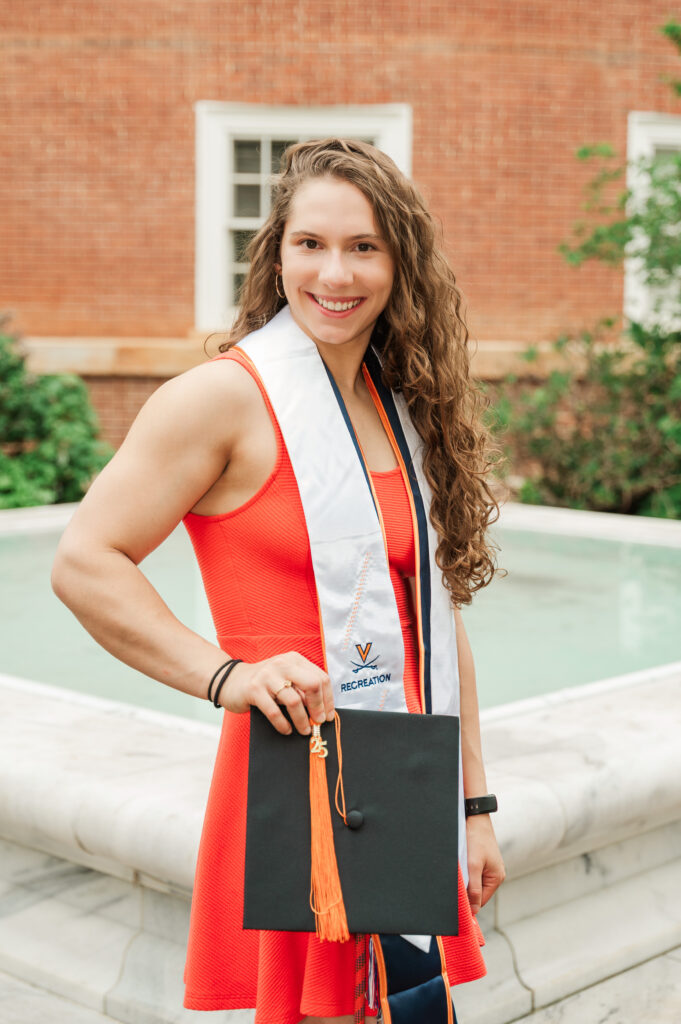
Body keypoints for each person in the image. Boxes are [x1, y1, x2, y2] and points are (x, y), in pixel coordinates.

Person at [52, 137, 506, 1024]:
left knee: (405, 1013)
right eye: (311, 244)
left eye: (363, 247)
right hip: (294, 782)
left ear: (399, 264)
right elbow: (83, 562)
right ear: (276, 253)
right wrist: (227, 675)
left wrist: (474, 805)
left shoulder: (397, 407)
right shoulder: (221, 398)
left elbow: (432, 623)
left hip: (400, 783)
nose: (334, 272)